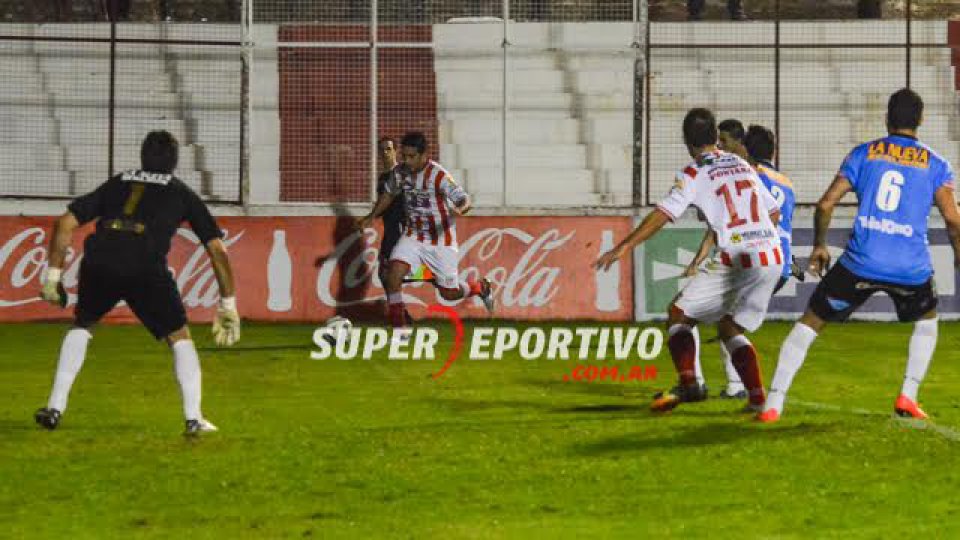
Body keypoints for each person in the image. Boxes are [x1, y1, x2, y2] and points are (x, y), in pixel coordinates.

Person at [758, 89, 960, 423]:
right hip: (910, 269)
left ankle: (773, 403)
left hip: (860, 262)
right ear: (921, 119)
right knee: (927, 320)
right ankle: (908, 396)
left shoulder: (864, 153)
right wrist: (957, 254)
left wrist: (820, 245)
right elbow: (953, 220)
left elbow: (825, 204)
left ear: (887, 117)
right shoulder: (937, 164)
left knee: (811, 322)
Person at [35, 130, 240, 436]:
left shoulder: (118, 182)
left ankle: (54, 407)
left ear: (142, 157)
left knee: (82, 325)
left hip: (100, 259)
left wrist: (53, 275)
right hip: (145, 264)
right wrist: (228, 305)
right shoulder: (181, 192)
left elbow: (64, 223)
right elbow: (217, 252)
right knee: (179, 337)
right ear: (174, 161)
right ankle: (194, 418)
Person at [595, 108, 782, 413]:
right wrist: (757, 236)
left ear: (686, 140)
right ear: (714, 137)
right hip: (771, 255)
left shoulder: (693, 173)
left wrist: (624, 247)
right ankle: (758, 400)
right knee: (730, 329)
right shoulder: (739, 162)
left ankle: (690, 383)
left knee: (679, 314)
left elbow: (663, 214)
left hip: (737, 255)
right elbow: (773, 212)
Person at [356, 131, 494, 340]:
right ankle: (401, 331)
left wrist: (461, 208)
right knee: (391, 275)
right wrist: (371, 216)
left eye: (412, 157)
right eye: (405, 156)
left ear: (423, 155)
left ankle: (480, 287)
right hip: (413, 236)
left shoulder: (438, 175)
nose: (407, 161)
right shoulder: (400, 173)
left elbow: (463, 198)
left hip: (441, 240)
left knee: (448, 293)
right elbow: (389, 194)